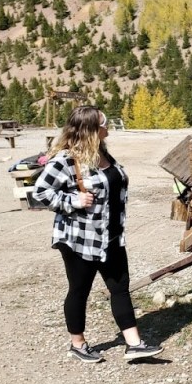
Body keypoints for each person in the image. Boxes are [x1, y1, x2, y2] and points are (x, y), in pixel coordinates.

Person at [32, 105, 163, 363]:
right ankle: (78, 343)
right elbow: (39, 193)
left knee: (120, 288)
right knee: (79, 290)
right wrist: (73, 200)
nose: (108, 127)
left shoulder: (102, 153)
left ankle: (134, 344)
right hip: (80, 240)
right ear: (92, 129)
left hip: (111, 236)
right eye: (104, 123)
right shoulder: (66, 160)